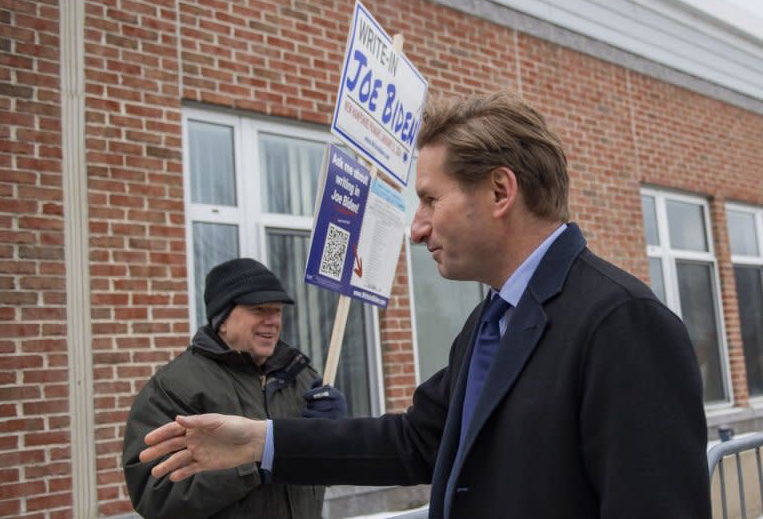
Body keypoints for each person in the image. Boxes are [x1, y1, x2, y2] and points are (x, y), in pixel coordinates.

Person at [137, 92, 711, 518]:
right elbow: (414, 442)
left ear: (500, 191)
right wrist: (262, 441)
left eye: (430, 199)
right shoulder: (491, 322)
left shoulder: (621, 323)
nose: (416, 228)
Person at [122, 257, 347, 518]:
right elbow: (155, 495)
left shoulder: (301, 377)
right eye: (259, 309)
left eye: (277, 310)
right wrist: (257, 463)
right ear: (222, 320)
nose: (272, 320)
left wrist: (335, 438)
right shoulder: (175, 387)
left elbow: (326, 472)